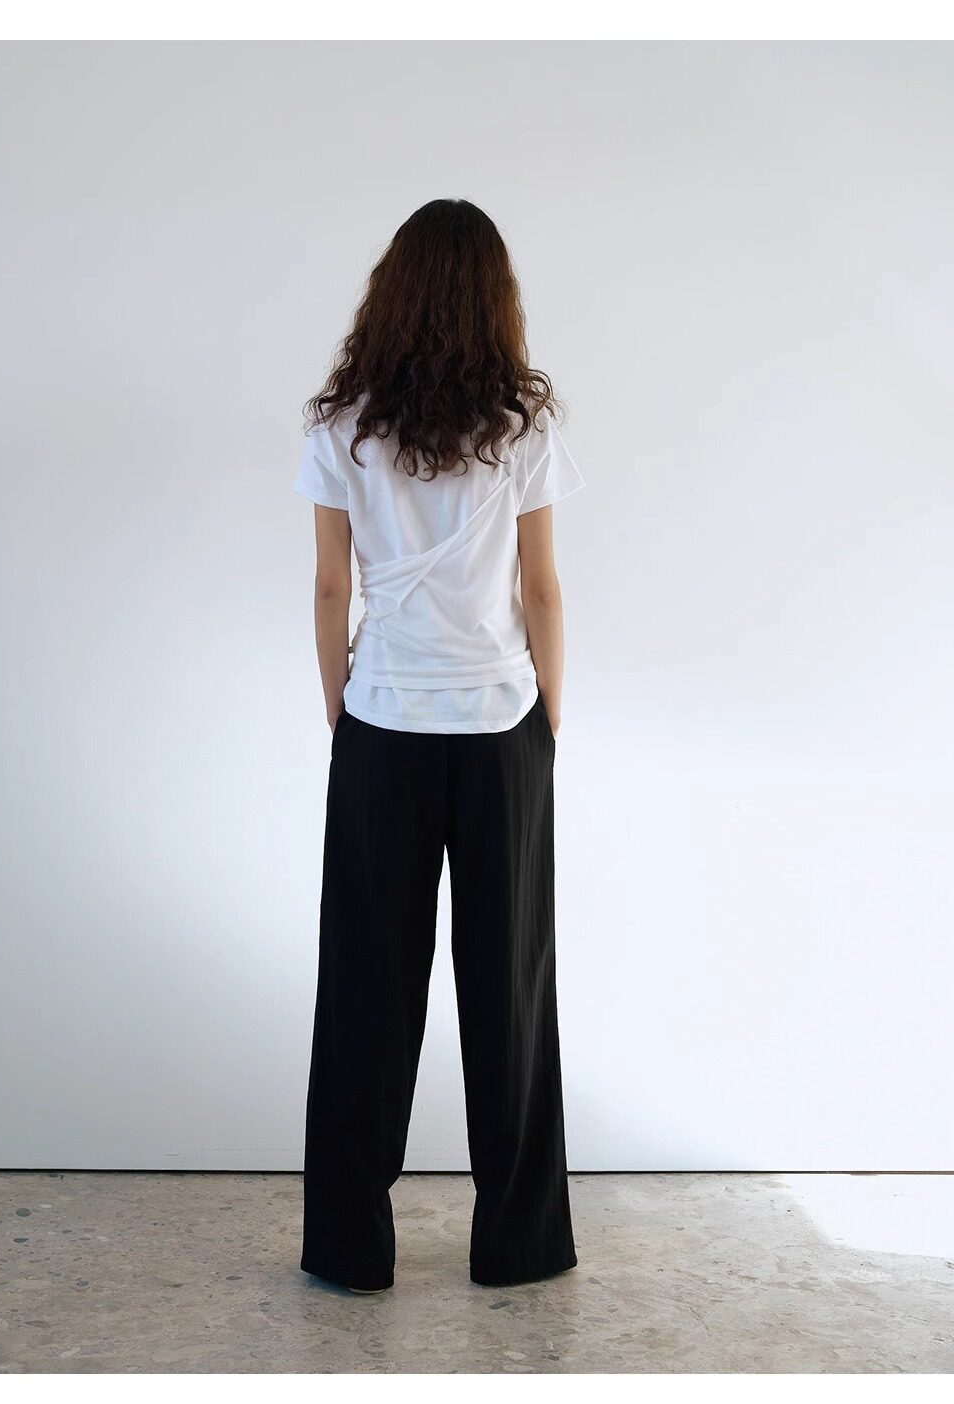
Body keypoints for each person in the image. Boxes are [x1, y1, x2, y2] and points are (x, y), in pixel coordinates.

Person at [293, 198, 585, 1294]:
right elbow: (541, 589)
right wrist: (549, 715)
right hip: (502, 727)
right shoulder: (521, 428)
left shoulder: (342, 427)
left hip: (383, 727)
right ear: (494, 300)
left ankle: (349, 1249)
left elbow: (332, 589)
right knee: (510, 991)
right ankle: (517, 1244)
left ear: (394, 294)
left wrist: (343, 707)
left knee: (365, 987)